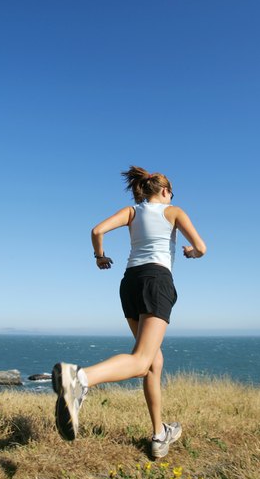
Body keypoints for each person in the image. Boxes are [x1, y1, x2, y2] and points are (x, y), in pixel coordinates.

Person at [52, 166, 206, 458]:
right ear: (164, 191)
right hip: (157, 281)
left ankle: (160, 434)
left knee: (153, 361)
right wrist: (191, 253)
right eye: (171, 192)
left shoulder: (132, 212)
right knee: (141, 361)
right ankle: (80, 379)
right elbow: (202, 247)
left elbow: (97, 231)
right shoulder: (174, 211)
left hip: (130, 283)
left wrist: (100, 257)